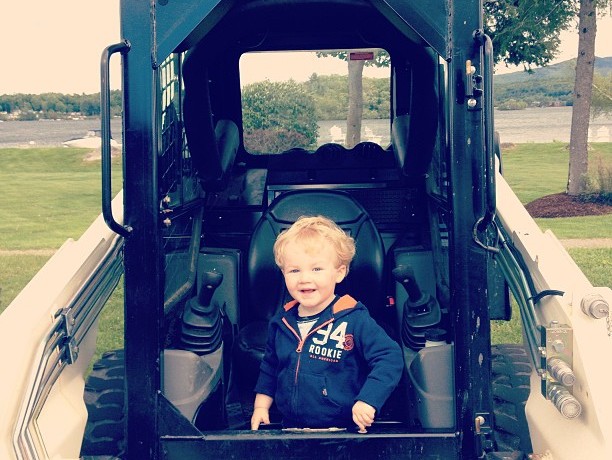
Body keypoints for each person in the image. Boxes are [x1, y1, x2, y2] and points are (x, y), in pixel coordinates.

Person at [251, 215, 403, 432]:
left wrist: (368, 400)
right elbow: (270, 367)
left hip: (343, 431)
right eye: (294, 270)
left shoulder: (354, 319)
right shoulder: (281, 322)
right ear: (283, 273)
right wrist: (260, 407)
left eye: (316, 269)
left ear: (339, 273)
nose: (304, 278)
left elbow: (389, 358)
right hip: (291, 429)